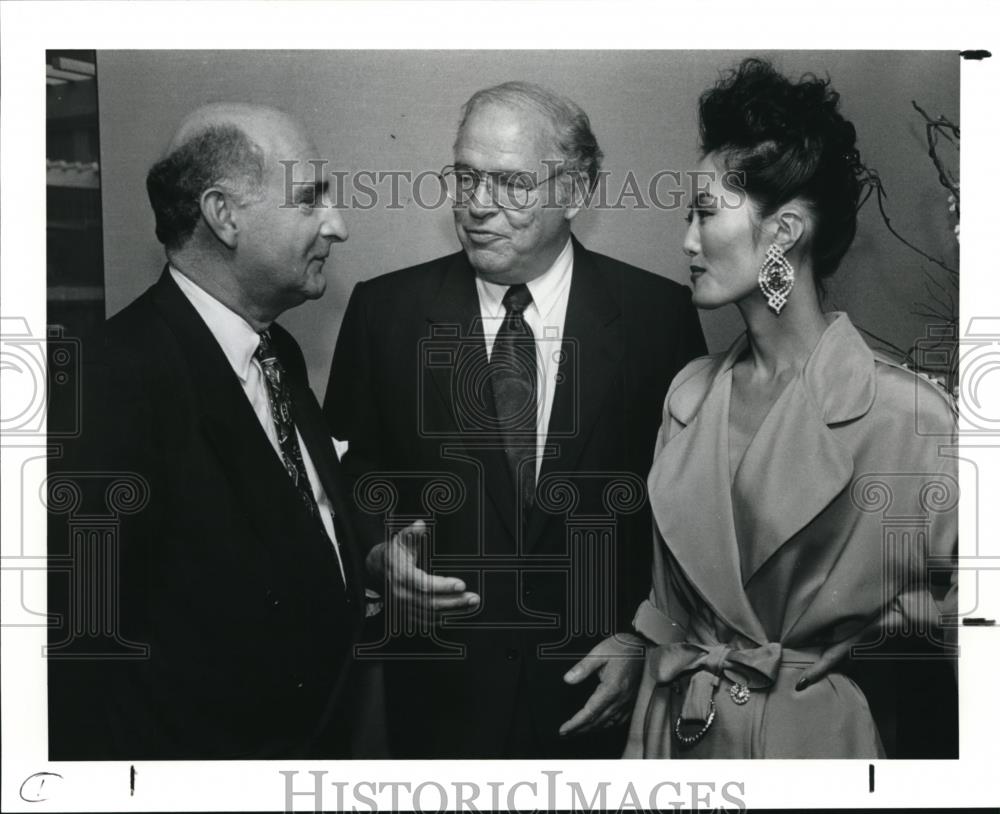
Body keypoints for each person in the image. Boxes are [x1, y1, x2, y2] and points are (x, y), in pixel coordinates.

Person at [323, 81, 707, 758]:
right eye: (466, 177)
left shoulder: (658, 318)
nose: (476, 205)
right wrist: (380, 556)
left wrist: (646, 637)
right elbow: (351, 480)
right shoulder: (386, 313)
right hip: (441, 705)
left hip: (602, 698)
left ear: (576, 192)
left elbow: (691, 514)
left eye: (509, 183)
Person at [624, 58, 958, 759]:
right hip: (673, 734)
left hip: (810, 749)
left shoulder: (910, 417)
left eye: (705, 213)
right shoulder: (688, 396)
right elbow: (674, 607)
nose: (686, 241)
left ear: (784, 234)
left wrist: (895, 619)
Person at [47, 103, 366, 759]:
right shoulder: (107, 384)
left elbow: (287, 540)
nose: (339, 224)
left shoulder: (280, 355)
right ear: (224, 216)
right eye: (310, 200)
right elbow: (80, 662)